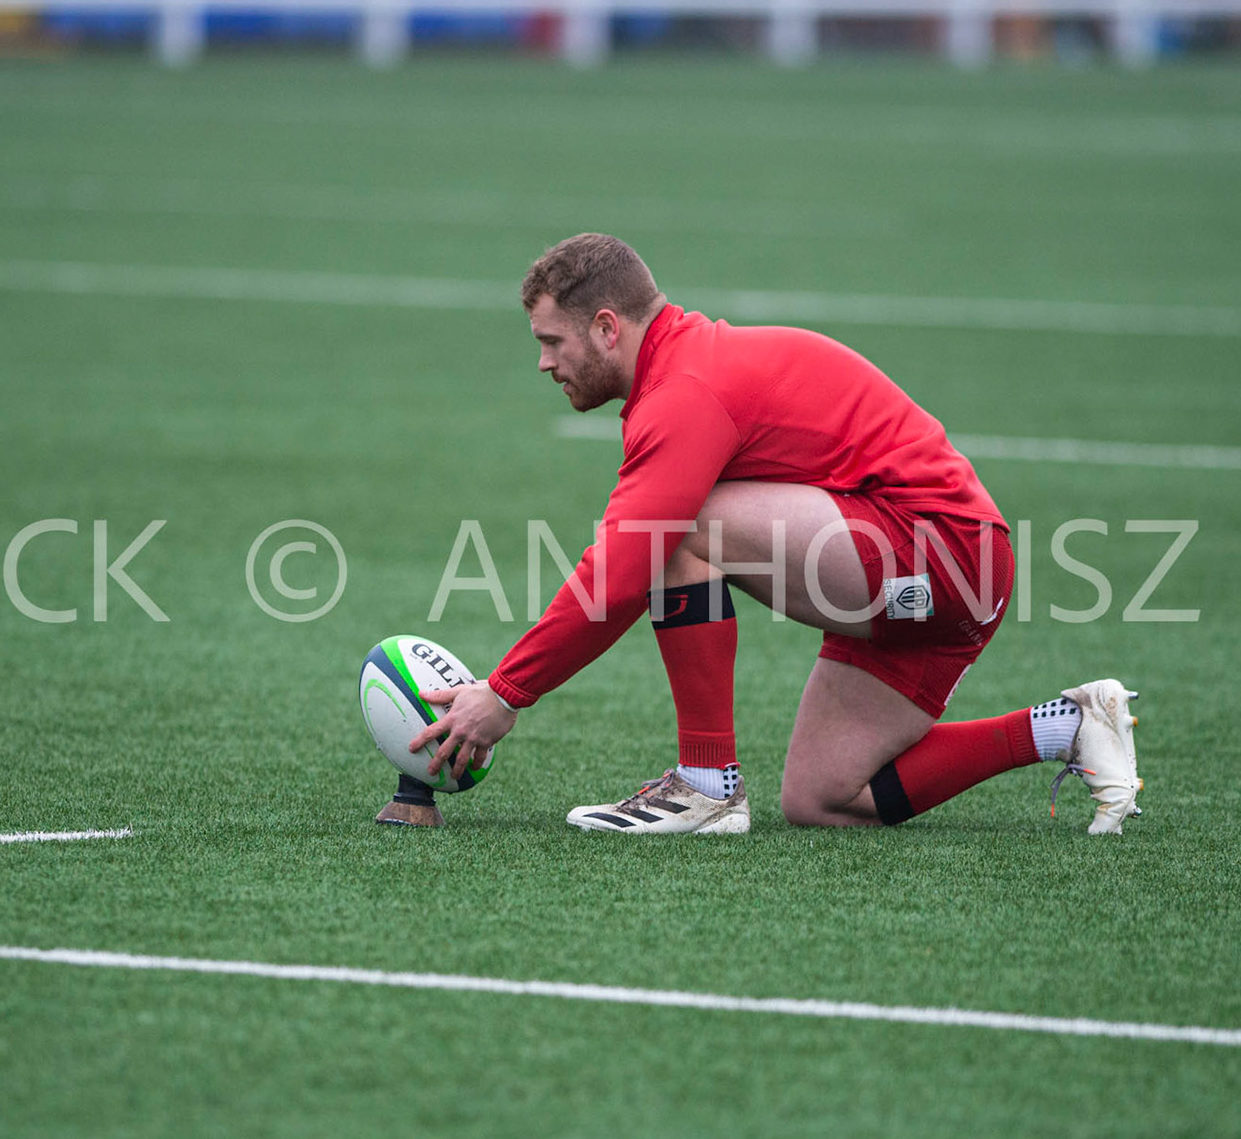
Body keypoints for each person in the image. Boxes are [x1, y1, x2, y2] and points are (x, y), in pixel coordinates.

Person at [411, 234, 1142, 835]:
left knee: (677, 529)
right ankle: (1068, 728)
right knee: (823, 800)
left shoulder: (685, 390)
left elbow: (624, 569)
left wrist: (505, 693)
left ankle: (706, 787)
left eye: (552, 341)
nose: (544, 362)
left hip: (942, 553)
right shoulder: (681, 372)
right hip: (922, 563)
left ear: (607, 327)